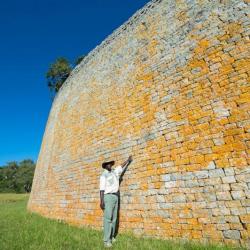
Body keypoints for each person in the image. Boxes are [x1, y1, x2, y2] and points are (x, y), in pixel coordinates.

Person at [100, 155, 133, 248]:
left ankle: (112, 237)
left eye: (110, 163)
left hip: (116, 197)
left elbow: (121, 166)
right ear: (105, 166)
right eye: (108, 164)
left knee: (114, 218)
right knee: (108, 219)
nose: (110, 165)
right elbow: (101, 189)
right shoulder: (104, 175)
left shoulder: (114, 172)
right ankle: (106, 241)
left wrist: (128, 160)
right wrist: (101, 201)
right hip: (108, 197)